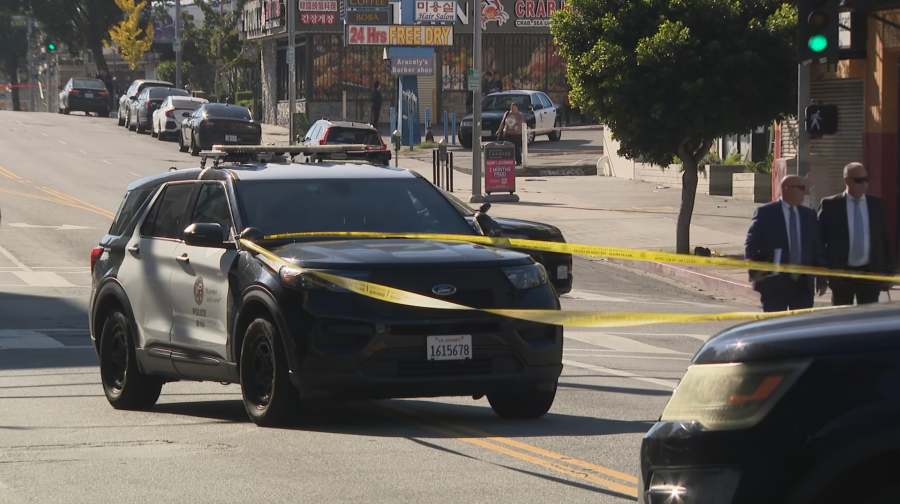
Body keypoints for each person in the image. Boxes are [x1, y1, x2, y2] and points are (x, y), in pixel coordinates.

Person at [745, 175, 826, 312]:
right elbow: (751, 244)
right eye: (800, 188)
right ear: (786, 189)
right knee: (776, 327)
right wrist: (754, 271)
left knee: (800, 328)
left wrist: (822, 279)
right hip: (774, 283)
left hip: (803, 283)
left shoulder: (808, 215)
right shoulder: (766, 213)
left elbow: (816, 248)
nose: (804, 193)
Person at [817, 162, 894, 305]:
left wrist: (889, 272)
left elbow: (885, 240)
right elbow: (819, 241)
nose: (864, 184)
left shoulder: (877, 205)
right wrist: (822, 274)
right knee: (842, 319)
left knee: (867, 320)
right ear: (847, 180)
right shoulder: (831, 205)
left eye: (866, 180)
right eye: (859, 181)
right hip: (841, 274)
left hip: (870, 273)